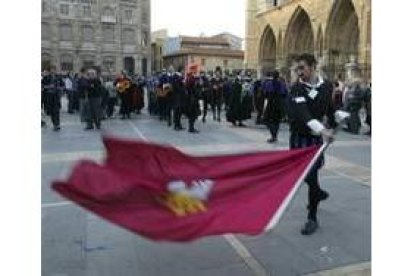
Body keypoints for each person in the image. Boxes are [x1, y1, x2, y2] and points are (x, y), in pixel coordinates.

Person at [288, 53, 336, 235]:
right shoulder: (296, 89)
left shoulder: (327, 86)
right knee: (303, 175)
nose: (299, 72)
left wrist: (337, 119)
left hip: (314, 140)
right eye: (297, 69)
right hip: (299, 137)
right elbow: (302, 113)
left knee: (312, 174)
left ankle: (312, 217)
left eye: (302, 68)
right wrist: (323, 130)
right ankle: (318, 193)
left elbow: (330, 108)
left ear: (313, 66)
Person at [262, 71, 284, 143]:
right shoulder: (282, 84)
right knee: (277, 120)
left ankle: (273, 135)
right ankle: (275, 135)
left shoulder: (269, 83)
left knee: (268, 119)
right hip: (279, 103)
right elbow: (285, 94)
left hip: (271, 103)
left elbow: (265, 93)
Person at [41, 66, 64, 131]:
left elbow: (63, 85)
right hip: (49, 96)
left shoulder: (58, 77)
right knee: (52, 111)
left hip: (56, 96)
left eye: (54, 70)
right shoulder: (46, 78)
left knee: (56, 111)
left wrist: (60, 88)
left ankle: (57, 124)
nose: (53, 71)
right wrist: (48, 86)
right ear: (50, 71)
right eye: (52, 70)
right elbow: (42, 86)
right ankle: (54, 124)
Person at [171, 67, 186, 131]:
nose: (184, 71)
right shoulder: (176, 76)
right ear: (181, 70)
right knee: (177, 112)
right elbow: (176, 87)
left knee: (179, 112)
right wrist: (183, 88)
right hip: (177, 97)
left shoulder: (180, 77)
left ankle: (179, 125)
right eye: (183, 70)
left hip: (180, 97)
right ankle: (176, 126)